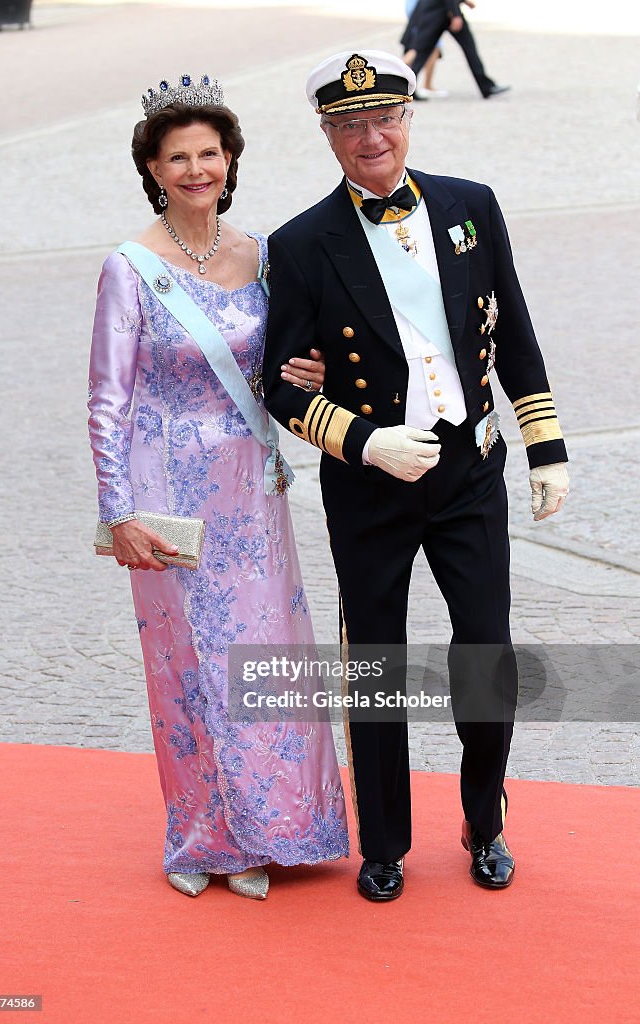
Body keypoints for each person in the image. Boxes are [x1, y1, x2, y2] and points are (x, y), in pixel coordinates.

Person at [262, 50, 569, 901]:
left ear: (409, 118)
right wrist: (363, 441)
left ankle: (484, 818)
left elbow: (514, 333)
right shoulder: (298, 245)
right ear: (326, 135)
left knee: (486, 655)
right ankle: (385, 841)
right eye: (350, 125)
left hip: (470, 469)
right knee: (377, 668)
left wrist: (544, 446)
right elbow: (278, 389)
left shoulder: (471, 205)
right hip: (370, 489)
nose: (372, 138)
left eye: (385, 118)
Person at [88, 73, 349, 901]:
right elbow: (106, 399)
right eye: (179, 157)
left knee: (263, 661)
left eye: (210, 153)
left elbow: (287, 366)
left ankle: (280, 827)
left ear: (230, 161)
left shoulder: (267, 256)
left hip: (251, 484)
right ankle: (205, 836)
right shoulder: (130, 267)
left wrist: (305, 368)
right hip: (168, 489)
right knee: (186, 667)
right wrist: (117, 513)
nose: (197, 168)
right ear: (154, 170)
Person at [404, 0, 509, 99]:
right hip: (436, 12)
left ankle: (486, 87)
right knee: (420, 51)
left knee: (469, 49)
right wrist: (456, 15)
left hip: (441, 10)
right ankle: (403, 86)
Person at [401, 0, 448, 99]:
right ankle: (393, 69)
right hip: (424, 8)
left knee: (432, 47)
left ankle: (427, 84)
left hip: (421, 6)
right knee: (418, 47)